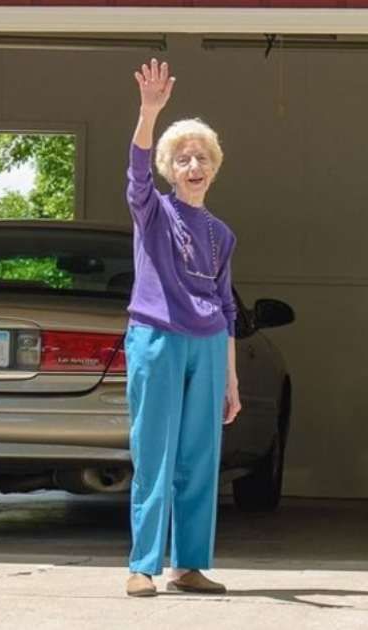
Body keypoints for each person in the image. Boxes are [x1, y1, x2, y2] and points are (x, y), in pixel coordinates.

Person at [124, 59, 242, 598]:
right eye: (183, 158)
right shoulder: (153, 212)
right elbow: (137, 172)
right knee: (155, 453)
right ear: (171, 169)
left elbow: (227, 304)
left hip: (210, 343)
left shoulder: (221, 233)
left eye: (202, 158)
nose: (193, 165)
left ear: (213, 168)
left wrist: (232, 381)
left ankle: (189, 564)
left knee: (200, 457)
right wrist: (149, 113)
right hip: (156, 336)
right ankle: (142, 566)